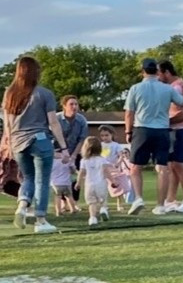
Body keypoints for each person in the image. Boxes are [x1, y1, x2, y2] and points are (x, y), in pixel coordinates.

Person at [1, 55, 64, 233]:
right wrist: (64, 147)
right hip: (40, 140)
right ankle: (41, 221)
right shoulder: (44, 94)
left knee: (28, 178)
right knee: (42, 181)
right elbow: (53, 122)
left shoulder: (10, 94)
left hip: (18, 142)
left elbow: (7, 124)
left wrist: (9, 144)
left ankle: (22, 207)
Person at [123, 58, 183, 215]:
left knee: (135, 167)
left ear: (143, 71)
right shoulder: (167, 89)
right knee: (162, 168)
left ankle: (138, 198)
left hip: (142, 129)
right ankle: (160, 205)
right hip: (162, 130)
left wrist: (128, 132)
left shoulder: (135, 88)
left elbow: (129, 113)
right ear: (157, 71)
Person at [158, 59, 183, 214]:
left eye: (159, 73)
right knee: (172, 166)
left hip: (181, 130)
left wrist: (165, 122)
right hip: (173, 131)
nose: (157, 77)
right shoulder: (172, 87)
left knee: (179, 164)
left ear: (167, 72)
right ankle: (171, 199)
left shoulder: (180, 86)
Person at [76, 137, 114, 227]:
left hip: (89, 185)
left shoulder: (84, 160)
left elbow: (81, 172)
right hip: (101, 184)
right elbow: (106, 171)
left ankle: (92, 218)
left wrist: (78, 183)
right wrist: (113, 181)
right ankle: (103, 209)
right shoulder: (102, 159)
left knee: (92, 203)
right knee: (103, 199)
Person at [98, 126, 132, 214]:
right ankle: (104, 205)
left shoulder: (116, 145)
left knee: (117, 186)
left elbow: (121, 155)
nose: (104, 137)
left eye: (106, 135)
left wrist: (117, 163)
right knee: (103, 187)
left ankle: (119, 204)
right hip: (103, 169)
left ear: (111, 135)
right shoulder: (100, 145)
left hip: (113, 168)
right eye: (102, 136)